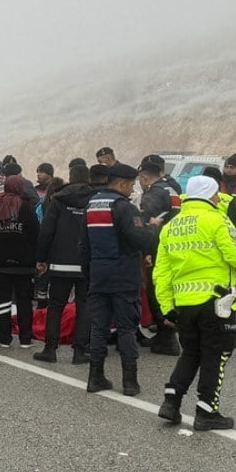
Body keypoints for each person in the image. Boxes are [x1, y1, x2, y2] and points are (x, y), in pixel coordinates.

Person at [153, 176, 236, 431]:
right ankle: (207, 411)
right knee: (216, 355)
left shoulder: (171, 226)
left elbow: (161, 273)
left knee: (191, 352)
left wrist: (167, 308)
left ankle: (170, 402)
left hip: (184, 304)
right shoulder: (217, 219)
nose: (219, 198)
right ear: (209, 194)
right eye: (216, 194)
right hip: (216, 302)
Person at [81, 162, 157, 396]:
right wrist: (152, 229)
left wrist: (89, 273)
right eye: (132, 184)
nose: (133, 189)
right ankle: (130, 382)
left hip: (98, 274)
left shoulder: (92, 205)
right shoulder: (124, 207)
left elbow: (83, 244)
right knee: (126, 328)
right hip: (123, 275)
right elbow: (137, 238)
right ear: (122, 183)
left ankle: (95, 377)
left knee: (99, 327)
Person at [34, 164, 93, 364]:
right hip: (87, 263)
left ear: (70, 177)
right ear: (88, 179)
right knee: (84, 306)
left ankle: (50, 349)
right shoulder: (95, 200)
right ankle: (79, 351)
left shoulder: (59, 200)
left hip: (60, 263)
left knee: (55, 306)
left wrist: (41, 258)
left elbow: (46, 231)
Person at [0, 175, 39, 348]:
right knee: (24, 301)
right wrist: (38, 259)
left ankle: (4, 339)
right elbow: (36, 235)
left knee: (2, 301)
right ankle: (25, 339)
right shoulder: (27, 208)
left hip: (0, 263)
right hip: (24, 264)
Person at [136, 155, 182, 355]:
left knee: (157, 293)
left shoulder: (153, 194)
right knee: (168, 292)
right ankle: (165, 335)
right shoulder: (172, 188)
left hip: (159, 248)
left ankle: (167, 338)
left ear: (145, 177)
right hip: (175, 245)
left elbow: (150, 225)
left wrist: (147, 251)